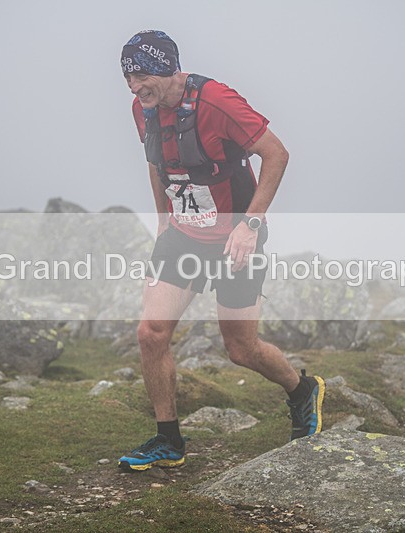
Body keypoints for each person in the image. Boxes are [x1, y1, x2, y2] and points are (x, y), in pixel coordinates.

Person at [117, 30, 325, 471]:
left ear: (166, 67)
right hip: (183, 235)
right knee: (150, 334)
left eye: (140, 76)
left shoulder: (217, 102)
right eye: (128, 78)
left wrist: (251, 225)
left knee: (241, 348)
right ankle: (168, 439)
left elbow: (277, 154)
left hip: (236, 238)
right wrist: (161, 220)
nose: (134, 88)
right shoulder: (145, 109)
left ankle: (302, 389)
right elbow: (157, 165)